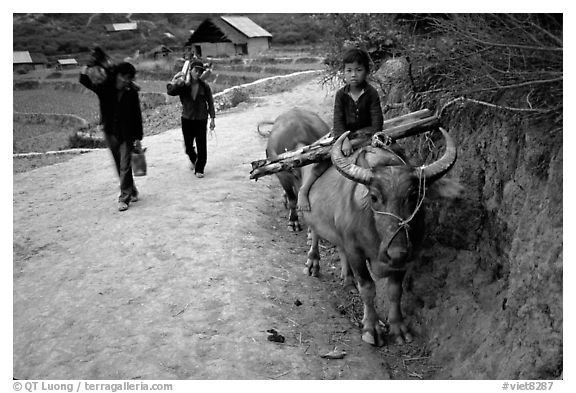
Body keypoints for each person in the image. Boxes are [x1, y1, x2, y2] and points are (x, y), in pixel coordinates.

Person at [298, 48, 384, 211]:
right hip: (343, 134)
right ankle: (304, 190)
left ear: (367, 71)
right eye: (349, 70)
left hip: (366, 134)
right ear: (343, 73)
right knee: (322, 163)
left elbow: (377, 119)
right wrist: (343, 140)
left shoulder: (372, 93)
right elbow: (338, 121)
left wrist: (372, 137)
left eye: (358, 70)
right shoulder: (341, 95)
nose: (353, 75)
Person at [79, 60, 144, 212]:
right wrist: (87, 66)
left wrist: (138, 137)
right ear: (118, 76)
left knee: (124, 165)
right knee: (119, 165)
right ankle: (132, 190)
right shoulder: (105, 88)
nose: (127, 81)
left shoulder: (131, 92)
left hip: (126, 134)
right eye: (125, 77)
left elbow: (136, 115)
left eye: (130, 78)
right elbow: (85, 80)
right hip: (110, 133)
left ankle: (124, 198)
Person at [167, 60, 216, 178]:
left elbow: (210, 102)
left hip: (201, 118)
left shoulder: (204, 86)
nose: (198, 73)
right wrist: (175, 81)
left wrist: (212, 119)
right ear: (191, 70)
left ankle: (200, 168)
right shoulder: (184, 85)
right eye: (196, 70)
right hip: (187, 118)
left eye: (200, 71)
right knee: (188, 146)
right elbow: (171, 92)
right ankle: (194, 160)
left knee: (201, 145)